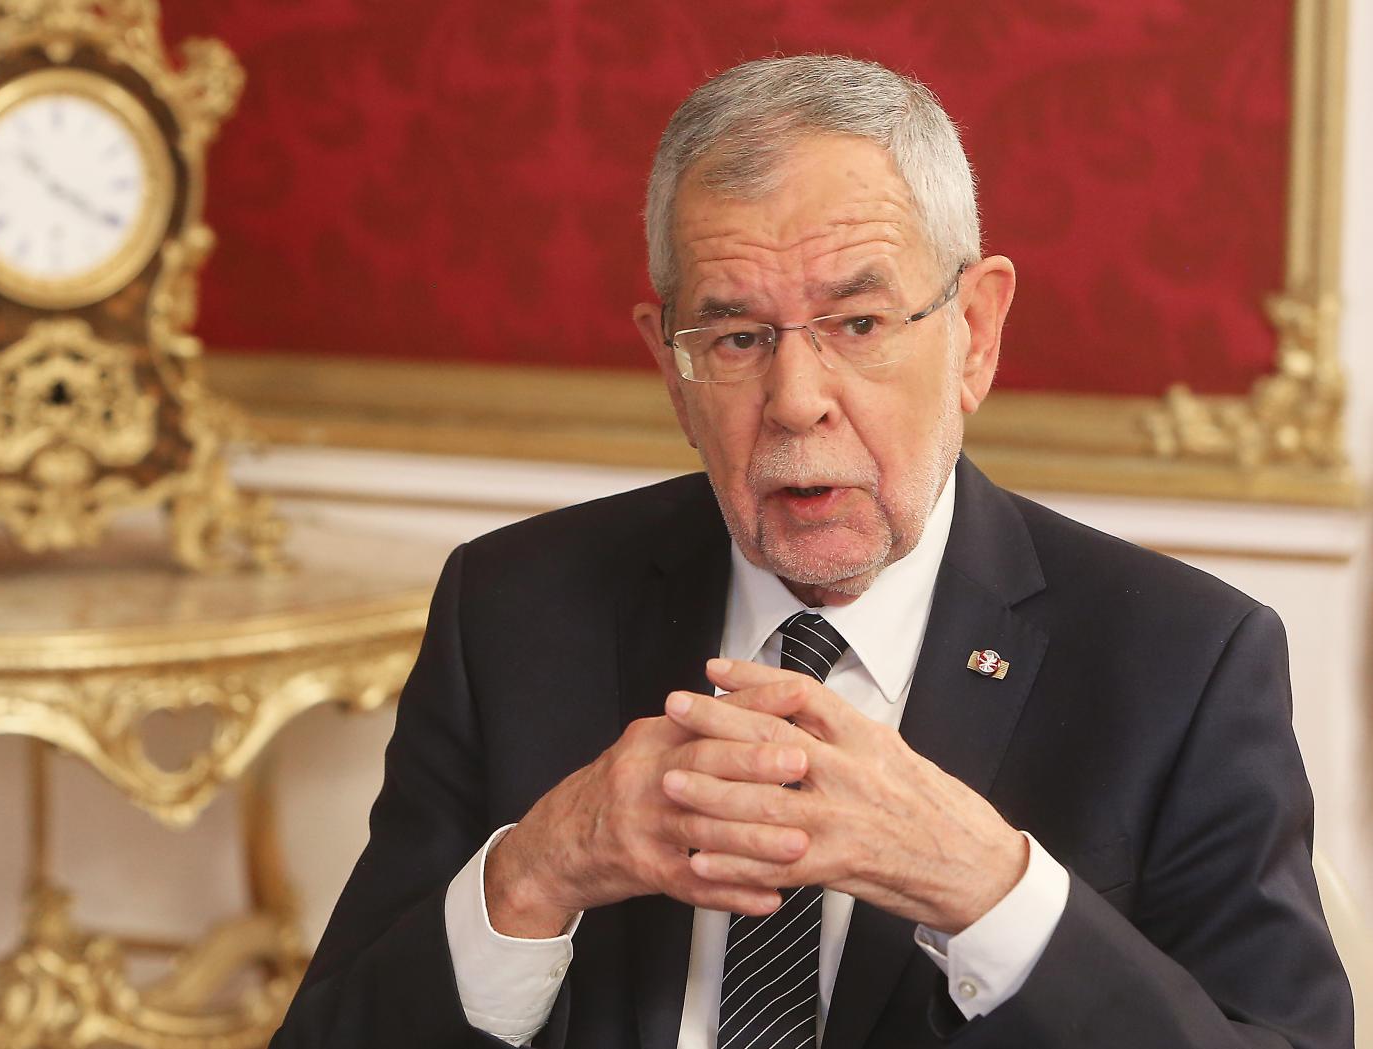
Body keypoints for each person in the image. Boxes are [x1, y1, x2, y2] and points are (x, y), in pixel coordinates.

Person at [267, 55, 1352, 1049]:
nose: (796, 400)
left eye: (859, 324)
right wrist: (537, 869)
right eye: (737, 337)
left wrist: (991, 890)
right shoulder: (510, 610)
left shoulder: (1180, 662)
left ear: (975, 332)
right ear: (671, 367)